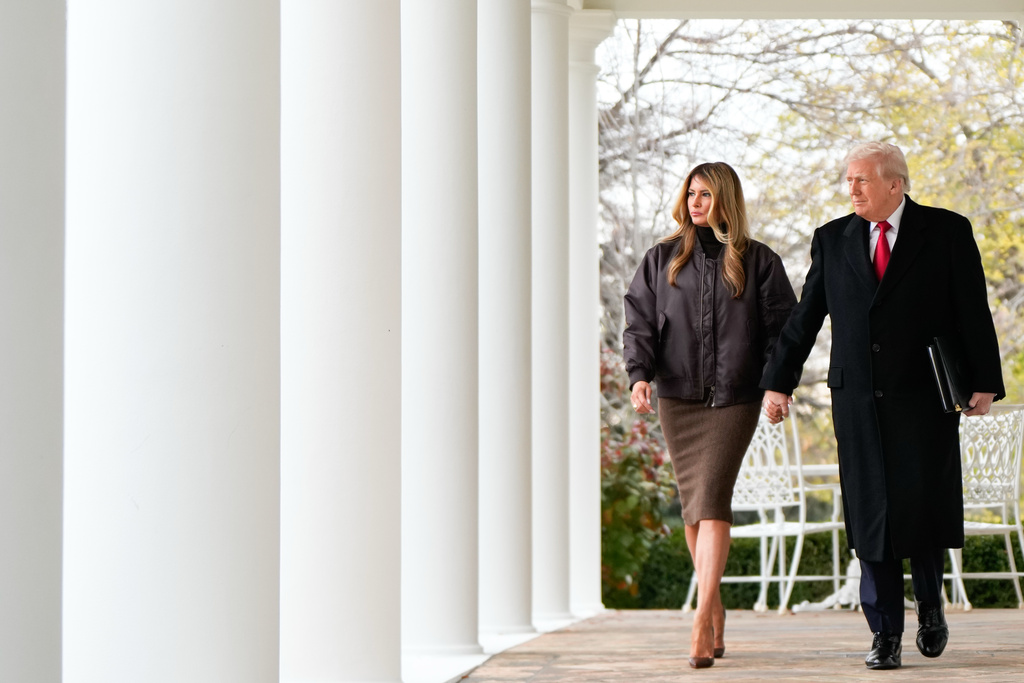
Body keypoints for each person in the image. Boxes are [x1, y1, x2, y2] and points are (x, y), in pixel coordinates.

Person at [761, 142, 1005, 670]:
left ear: (895, 184)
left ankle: (931, 606)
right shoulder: (832, 239)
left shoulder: (946, 231)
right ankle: (885, 633)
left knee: (919, 507)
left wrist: (983, 380)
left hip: (924, 396)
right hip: (856, 399)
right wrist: (777, 382)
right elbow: (806, 319)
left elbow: (972, 308)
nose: (852, 190)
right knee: (871, 516)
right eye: (849, 180)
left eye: (862, 181)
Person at [623, 162, 797, 669]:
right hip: (678, 398)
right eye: (691, 193)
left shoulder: (759, 260)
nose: (696, 202)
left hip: (735, 399)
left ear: (726, 200)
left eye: (706, 194)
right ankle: (715, 602)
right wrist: (640, 375)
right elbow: (638, 321)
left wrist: (777, 386)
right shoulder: (661, 259)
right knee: (693, 506)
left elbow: (782, 332)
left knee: (713, 497)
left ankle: (701, 616)